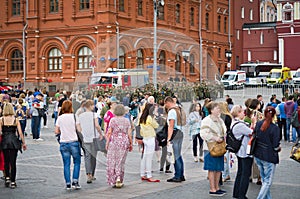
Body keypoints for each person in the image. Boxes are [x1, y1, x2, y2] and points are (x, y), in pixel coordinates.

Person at [253, 106, 281, 199]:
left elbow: (254, 136)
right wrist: (278, 148)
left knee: (265, 179)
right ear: (273, 116)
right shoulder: (275, 128)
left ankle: (267, 197)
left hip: (258, 154)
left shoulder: (258, 124)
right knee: (267, 181)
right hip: (269, 156)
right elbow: (275, 145)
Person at [200, 101, 227, 196]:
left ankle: (217, 187)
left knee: (218, 168)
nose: (219, 110)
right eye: (217, 108)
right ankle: (212, 188)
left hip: (220, 147)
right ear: (211, 110)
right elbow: (203, 134)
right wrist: (215, 138)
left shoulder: (220, 119)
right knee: (212, 168)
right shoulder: (206, 120)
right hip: (210, 148)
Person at [231, 105, 256, 199]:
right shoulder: (240, 125)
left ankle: (236, 193)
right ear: (238, 113)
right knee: (245, 174)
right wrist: (253, 123)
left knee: (240, 172)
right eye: (242, 112)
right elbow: (251, 132)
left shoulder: (236, 123)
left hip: (240, 151)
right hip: (244, 151)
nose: (244, 113)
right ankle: (242, 195)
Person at [55, 100, 81, 190]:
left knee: (66, 164)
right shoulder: (74, 116)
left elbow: (56, 131)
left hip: (63, 142)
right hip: (73, 141)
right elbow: (79, 129)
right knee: (77, 162)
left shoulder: (60, 118)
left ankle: (68, 183)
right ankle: (75, 181)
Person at [0, 102, 27, 188]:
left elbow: (0, 132)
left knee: (6, 161)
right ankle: (13, 181)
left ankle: (7, 177)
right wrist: (23, 143)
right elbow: (20, 133)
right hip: (14, 142)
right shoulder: (16, 120)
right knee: (13, 162)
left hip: (4, 141)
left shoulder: (1, 119)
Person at [106, 104, 132, 188]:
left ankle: (113, 178)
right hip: (124, 141)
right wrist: (130, 143)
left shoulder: (112, 120)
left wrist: (107, 142)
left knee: (113, 160)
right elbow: (129, 133)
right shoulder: (127, 121)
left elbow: (109, 132)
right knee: (121, 161)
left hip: (114, 141)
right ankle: (119, 178)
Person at [76, 100, 103, 184]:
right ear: (90, 106)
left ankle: (88, 174)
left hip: (85, 138)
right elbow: (97, 125)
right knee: (93, 156)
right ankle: (93, 174)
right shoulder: (94, 115)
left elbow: (78, 127)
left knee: (87, 156)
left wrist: (82, 133)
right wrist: (100, 133)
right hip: (94, 138)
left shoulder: (80, 115)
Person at [164, 96, 185, 183]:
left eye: (166, 104)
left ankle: (177, 176)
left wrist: (168, 138)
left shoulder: (172, 111)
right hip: (180, 132)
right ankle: (181, 174)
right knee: (178, 155)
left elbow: (171, 125)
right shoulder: (178, 109)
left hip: (175, 133)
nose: (165, 106)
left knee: (175, 156)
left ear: (168, 102)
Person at [139, 103, 160, 182]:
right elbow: (156, 125)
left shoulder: (142, 117)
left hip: (145, 138)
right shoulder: (150, 118)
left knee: (144, 157)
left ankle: (142, 173)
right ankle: (149, 175)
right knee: (149, 157)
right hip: (150, 138)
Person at [219, 102, 233, 183]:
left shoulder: (224, 117)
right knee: (226, 157)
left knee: (224, 158)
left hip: (224, 139)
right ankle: (226, 174)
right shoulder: (229, 116)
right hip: (227, 139)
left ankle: (224, 174)